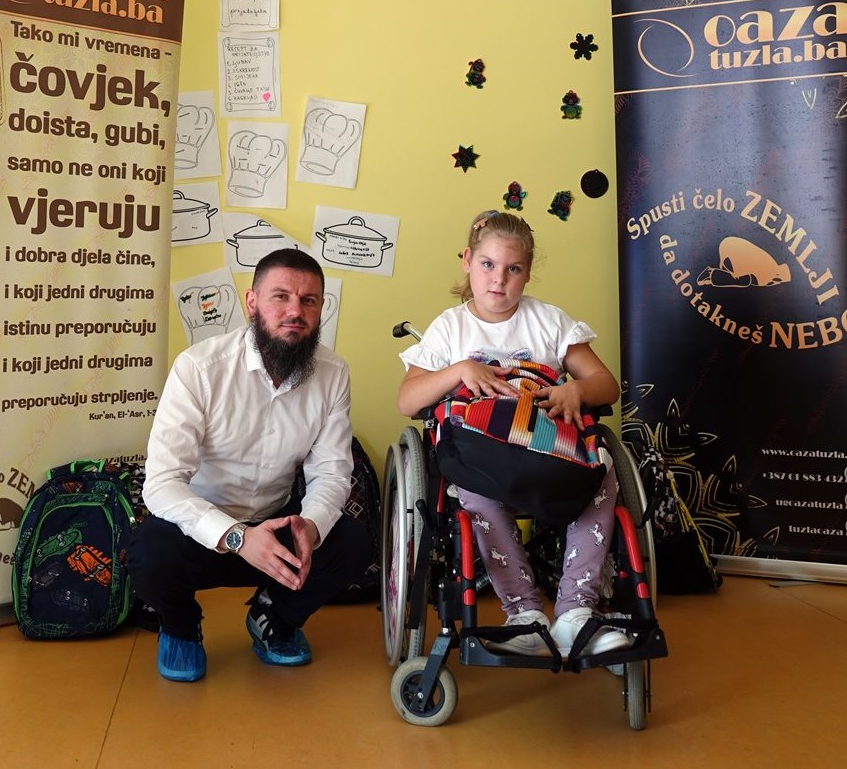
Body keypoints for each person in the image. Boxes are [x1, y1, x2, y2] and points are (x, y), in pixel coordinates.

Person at [129, 248, 373, 682]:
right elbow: (162, 484)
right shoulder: (199, 368)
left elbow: (332, 473)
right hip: (201, 528)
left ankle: (273, 616)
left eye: (309, 300)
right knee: (149, 555)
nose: (295, 311)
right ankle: (181, 626)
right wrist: (238, 537)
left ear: (321, 308)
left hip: (276, 525)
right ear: (252, 302)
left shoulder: (333, 373)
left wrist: (310, 526)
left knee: (354, 544)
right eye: (281, 297)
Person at [397, 211, 629, 658]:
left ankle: (576, 612)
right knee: (471, 484)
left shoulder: (550, 322)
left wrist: (577, 389)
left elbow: (607, 386)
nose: (498, 279)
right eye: (487, 264)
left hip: (547, 445)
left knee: (601, 472)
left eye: (513, 269)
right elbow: (408, 400)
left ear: (527, 271)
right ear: (467, 261)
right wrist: (460, 370)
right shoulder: (450, 328)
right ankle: (524, 613)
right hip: (483, 454)